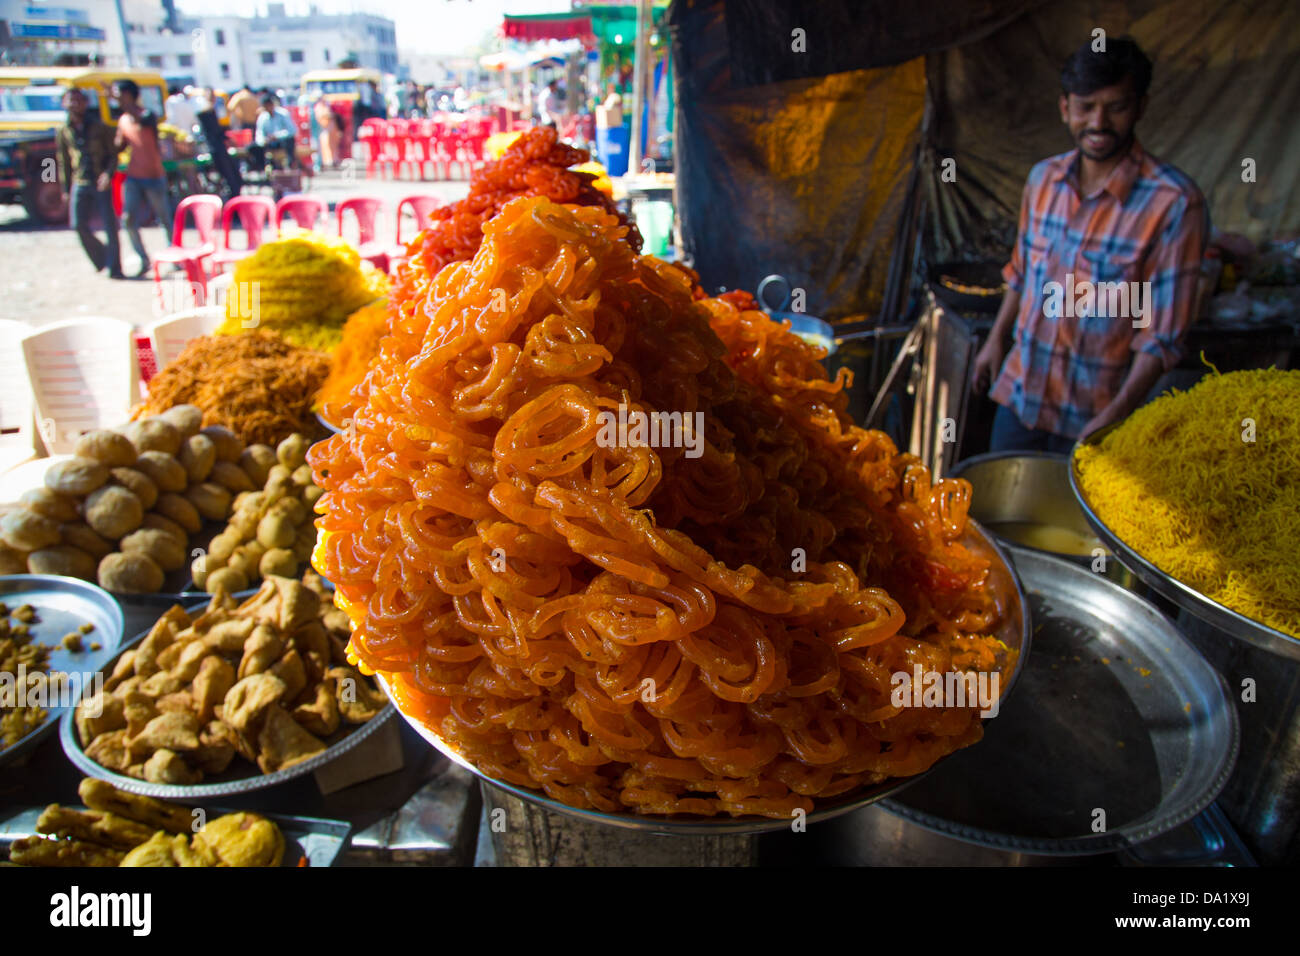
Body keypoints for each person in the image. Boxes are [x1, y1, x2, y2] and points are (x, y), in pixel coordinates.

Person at [970, 37, 1207, 453]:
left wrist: (1115, 414)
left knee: (1073, 520)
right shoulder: (1043, 180)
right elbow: (1022, 273)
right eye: (1086, 107)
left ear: (1140, 107)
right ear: (1065, 108)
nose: (1098, 123)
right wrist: (996, 339)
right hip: (1020, 397)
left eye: (1116, 107)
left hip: (1096, 421)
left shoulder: (1174, 203)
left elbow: (1161, 336)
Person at [56, 88, 123, 278]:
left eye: (79, 100)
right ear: (64, 104)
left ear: (85, 103)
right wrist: (64, 188)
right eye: (71, 100)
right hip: (80, 181)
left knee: (110, 226)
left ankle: (115, 268)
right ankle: (101, 258)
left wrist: (108, 175)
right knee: (78, 225)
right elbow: (60, 161)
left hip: (100, 180)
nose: (75, 104)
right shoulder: (62, 130)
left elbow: (113, 155)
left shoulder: (98, 126)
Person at [113, 79, 171, 277]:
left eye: (119, 94)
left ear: (129, 95)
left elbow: (140, 121)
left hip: (154, 175)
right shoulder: (123, 120)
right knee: (128, 219)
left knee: (164, 217)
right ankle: (142, 259)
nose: (116, 98)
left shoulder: (147, 116)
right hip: (134, 177)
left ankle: (175, 255)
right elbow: (119, 145)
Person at [253, 93, 297, 169]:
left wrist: (277, 136)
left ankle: (290, 164)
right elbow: (259, 133)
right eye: (266, 106)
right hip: (269, 142)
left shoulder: (283, 113)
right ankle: (262, 168)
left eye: (269, 105)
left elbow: (292, 130)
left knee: (289, 141)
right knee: (253, 148)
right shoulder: (262, 117)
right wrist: (263, 140)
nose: (268, 107)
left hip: (282, 140)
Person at [313, 95, 341, 169]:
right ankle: (328, 161)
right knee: (326, 145)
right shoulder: (318, 107)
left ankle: (334, 160)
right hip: (324, 129)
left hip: (331, 129)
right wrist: (328, 115)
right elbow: (321, 117)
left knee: (333, 145)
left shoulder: (327, 106)